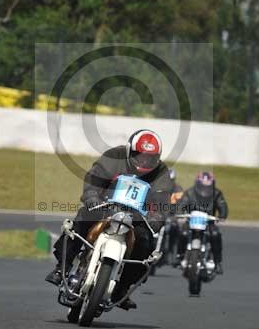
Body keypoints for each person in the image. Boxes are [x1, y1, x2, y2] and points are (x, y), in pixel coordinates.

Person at [45, 129, 172, 309]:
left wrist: (157, 218)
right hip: (105, 206)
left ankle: (123, 287)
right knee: (82, 219)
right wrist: (91, 196)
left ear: (157, 157)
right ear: (129, 151)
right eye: (139, 156)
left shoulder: (161, 171)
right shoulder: (114, 156)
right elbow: (94, 178)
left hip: (136, 216)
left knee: (145, 243)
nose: (144, 161)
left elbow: (162, 200)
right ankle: (61, 268)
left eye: (150, 158)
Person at [175, 171, 228, 274]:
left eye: (207, 187)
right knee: (183, 233)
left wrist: (222, 215)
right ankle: (179, 256)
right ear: (197, 184)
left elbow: (222, 206)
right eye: (202, 186)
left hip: (209, 222)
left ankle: (217, 262)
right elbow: (182, 204)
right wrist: (180, 213)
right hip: (191, 221)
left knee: (215, 235)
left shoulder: (217, 194)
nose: (205, 189)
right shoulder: (189, 193)